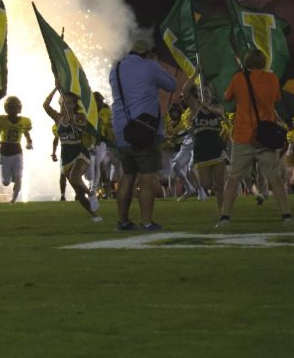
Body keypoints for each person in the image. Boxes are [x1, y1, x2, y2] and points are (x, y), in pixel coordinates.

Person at [217, 48, 292, 227]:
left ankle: (225, 217)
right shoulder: (272, 79)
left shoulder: (238, 79)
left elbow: (227, 97)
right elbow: (275, 98)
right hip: (265, 136)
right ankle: (287, 215)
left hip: (243, 136)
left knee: (233, 178)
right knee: (275, 178)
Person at [108, 36, 175, 231]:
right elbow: (171, 85)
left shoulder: (116, 69)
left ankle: (123, 221)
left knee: (128, 176)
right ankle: (146, 221)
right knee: (148, 175)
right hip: (144, 129)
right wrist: (155, 64)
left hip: (122, 130)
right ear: (147, 53)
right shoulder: (150, 66)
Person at [43, 88, 101, 221]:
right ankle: (94, 216)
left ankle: (91, 193)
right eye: (64, 102)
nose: (66, 105)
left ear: (75, 105)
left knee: (75, 177)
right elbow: (45, 105)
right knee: (79, 194)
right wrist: (55, 89)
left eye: (69, 103)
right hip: (66, 156)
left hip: (80, 152)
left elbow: (84, 126)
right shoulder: (58, 118)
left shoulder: (79, 116)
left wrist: (76, 124)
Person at [182, 77, 226, 210]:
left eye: (207, 93)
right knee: (205, 184)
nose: (205, 95)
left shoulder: (217, 107)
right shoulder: (195, 107)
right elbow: (185, 91)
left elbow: (221, 113)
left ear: (211, 94)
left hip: (217, 149)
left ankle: (222, 213)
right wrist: (195, 74)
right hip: (201, 151)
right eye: (202, 93)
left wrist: (208, 107)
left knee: (220, 184)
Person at [0, 96, 33, 203]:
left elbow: (26, 133)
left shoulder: (24, 121)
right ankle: (13, 176)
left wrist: (29, 143)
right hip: (4, 152)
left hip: (17, 151)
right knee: (6, 182)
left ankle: (13, 200)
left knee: (18, 177)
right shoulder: (1, 119)